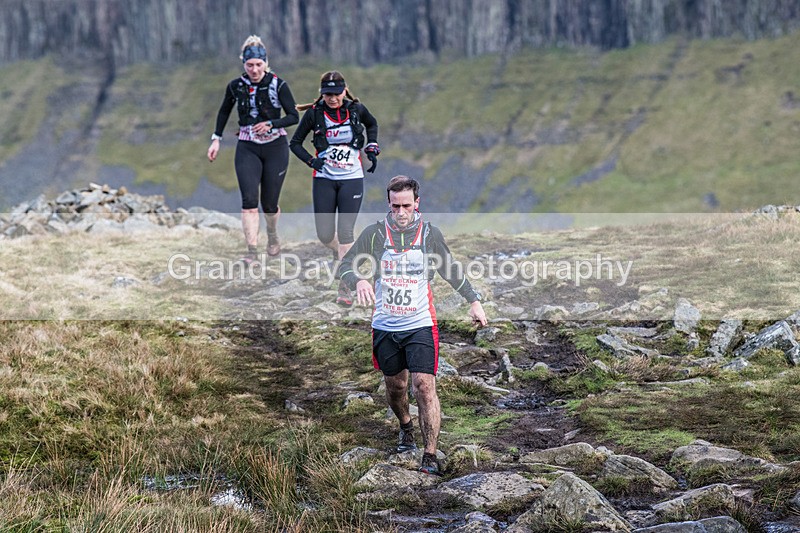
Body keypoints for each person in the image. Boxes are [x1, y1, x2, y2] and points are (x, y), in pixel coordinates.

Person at [337, 175, 488, 475]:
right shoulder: (375, 234)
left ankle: (430, 455)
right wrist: (359, 280)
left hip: (421, 323)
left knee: (423, 386)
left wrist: (474, 300)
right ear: (389, 205)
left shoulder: (429, 235)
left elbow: (449, 269)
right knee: (396, 388)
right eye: (395, 207)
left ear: (417, 203)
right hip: (385, 325)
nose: (401, 213)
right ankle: (406, 425)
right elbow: (344, 265)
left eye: (407, 205)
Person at [289, 71, 380, 305]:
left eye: (336, 93)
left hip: (352, 178)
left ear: (344, 91)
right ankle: (342, 253)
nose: (332, 98)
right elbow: (295, 143)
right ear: (322, 94)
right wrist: (312, 161)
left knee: (346, 231)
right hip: (324, 179)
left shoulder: (356, 109)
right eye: (327, 94)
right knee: (325, 234)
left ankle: (346, 285)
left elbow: (372, 123)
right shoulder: (314, 114)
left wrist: (372, 146)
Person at [207, 35, 298, 263]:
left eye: (258, 65)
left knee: (269, 204)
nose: (254, 70)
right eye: (250, 65)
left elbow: (293, 116)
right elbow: (223, 112)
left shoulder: (279, 85)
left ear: (266, 63)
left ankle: (273, 235)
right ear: (243, 64)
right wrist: (216, 139)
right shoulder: (236, 86)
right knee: (249, 201)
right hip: (247, 146)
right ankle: (252, 252)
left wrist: (271, 123)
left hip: (275, 147)